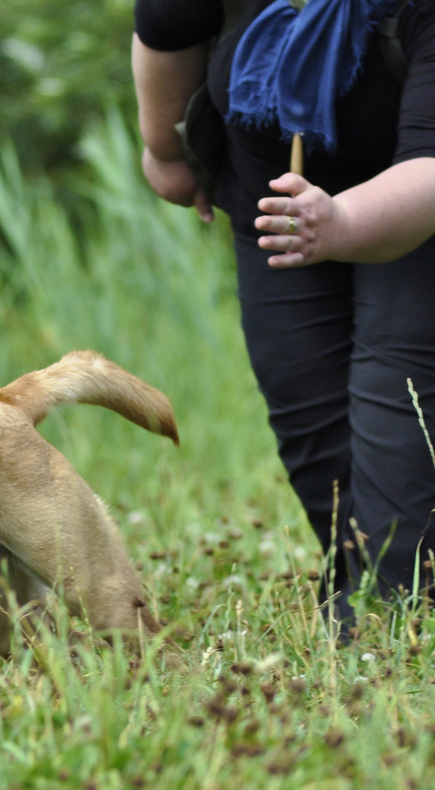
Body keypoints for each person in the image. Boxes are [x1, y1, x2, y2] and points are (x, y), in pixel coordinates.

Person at [132, 0, 435, 623]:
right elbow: (164, 28)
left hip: (416, 216)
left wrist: (341, 222)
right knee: (311, 423)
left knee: (398, 410)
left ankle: (394, 615)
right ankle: (357, 585)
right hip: (273, 205)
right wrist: (165, 149)